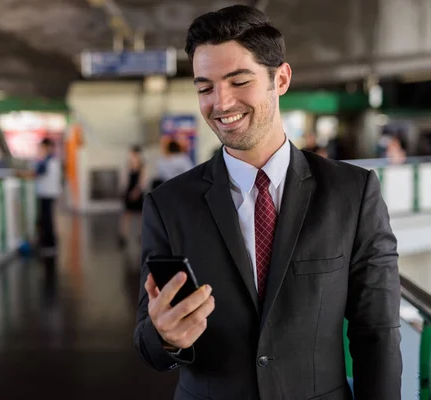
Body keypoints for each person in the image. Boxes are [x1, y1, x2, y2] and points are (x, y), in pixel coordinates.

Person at [133, 5, 401, 400]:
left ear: (282, 78)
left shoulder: (352, 193)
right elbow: (148, 343)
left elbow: (375, 333)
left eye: (239, 81)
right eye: (205, 88)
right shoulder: (168, 204)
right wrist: (165, 337)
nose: (220, 103)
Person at [17, 138, 62, 257]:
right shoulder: (53, 160)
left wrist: (20, 174)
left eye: (42, 148)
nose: (40, 150)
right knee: (46, 220)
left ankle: (49, 245)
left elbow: (36, 173)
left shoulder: (47, 161)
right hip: (49, 193)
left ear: (47, 147)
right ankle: (48, 244)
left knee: (47, 220)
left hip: (46, 194)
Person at [119, 145, 145, 248]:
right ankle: (123, 235)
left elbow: (142, 181)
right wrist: (125, 192)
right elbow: (125, 180)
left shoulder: (142, 166)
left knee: (140, 215)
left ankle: (141, 235)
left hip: (137, 192)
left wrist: (137, 191)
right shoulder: (128, 166)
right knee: (126, 215)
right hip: (129, 192)